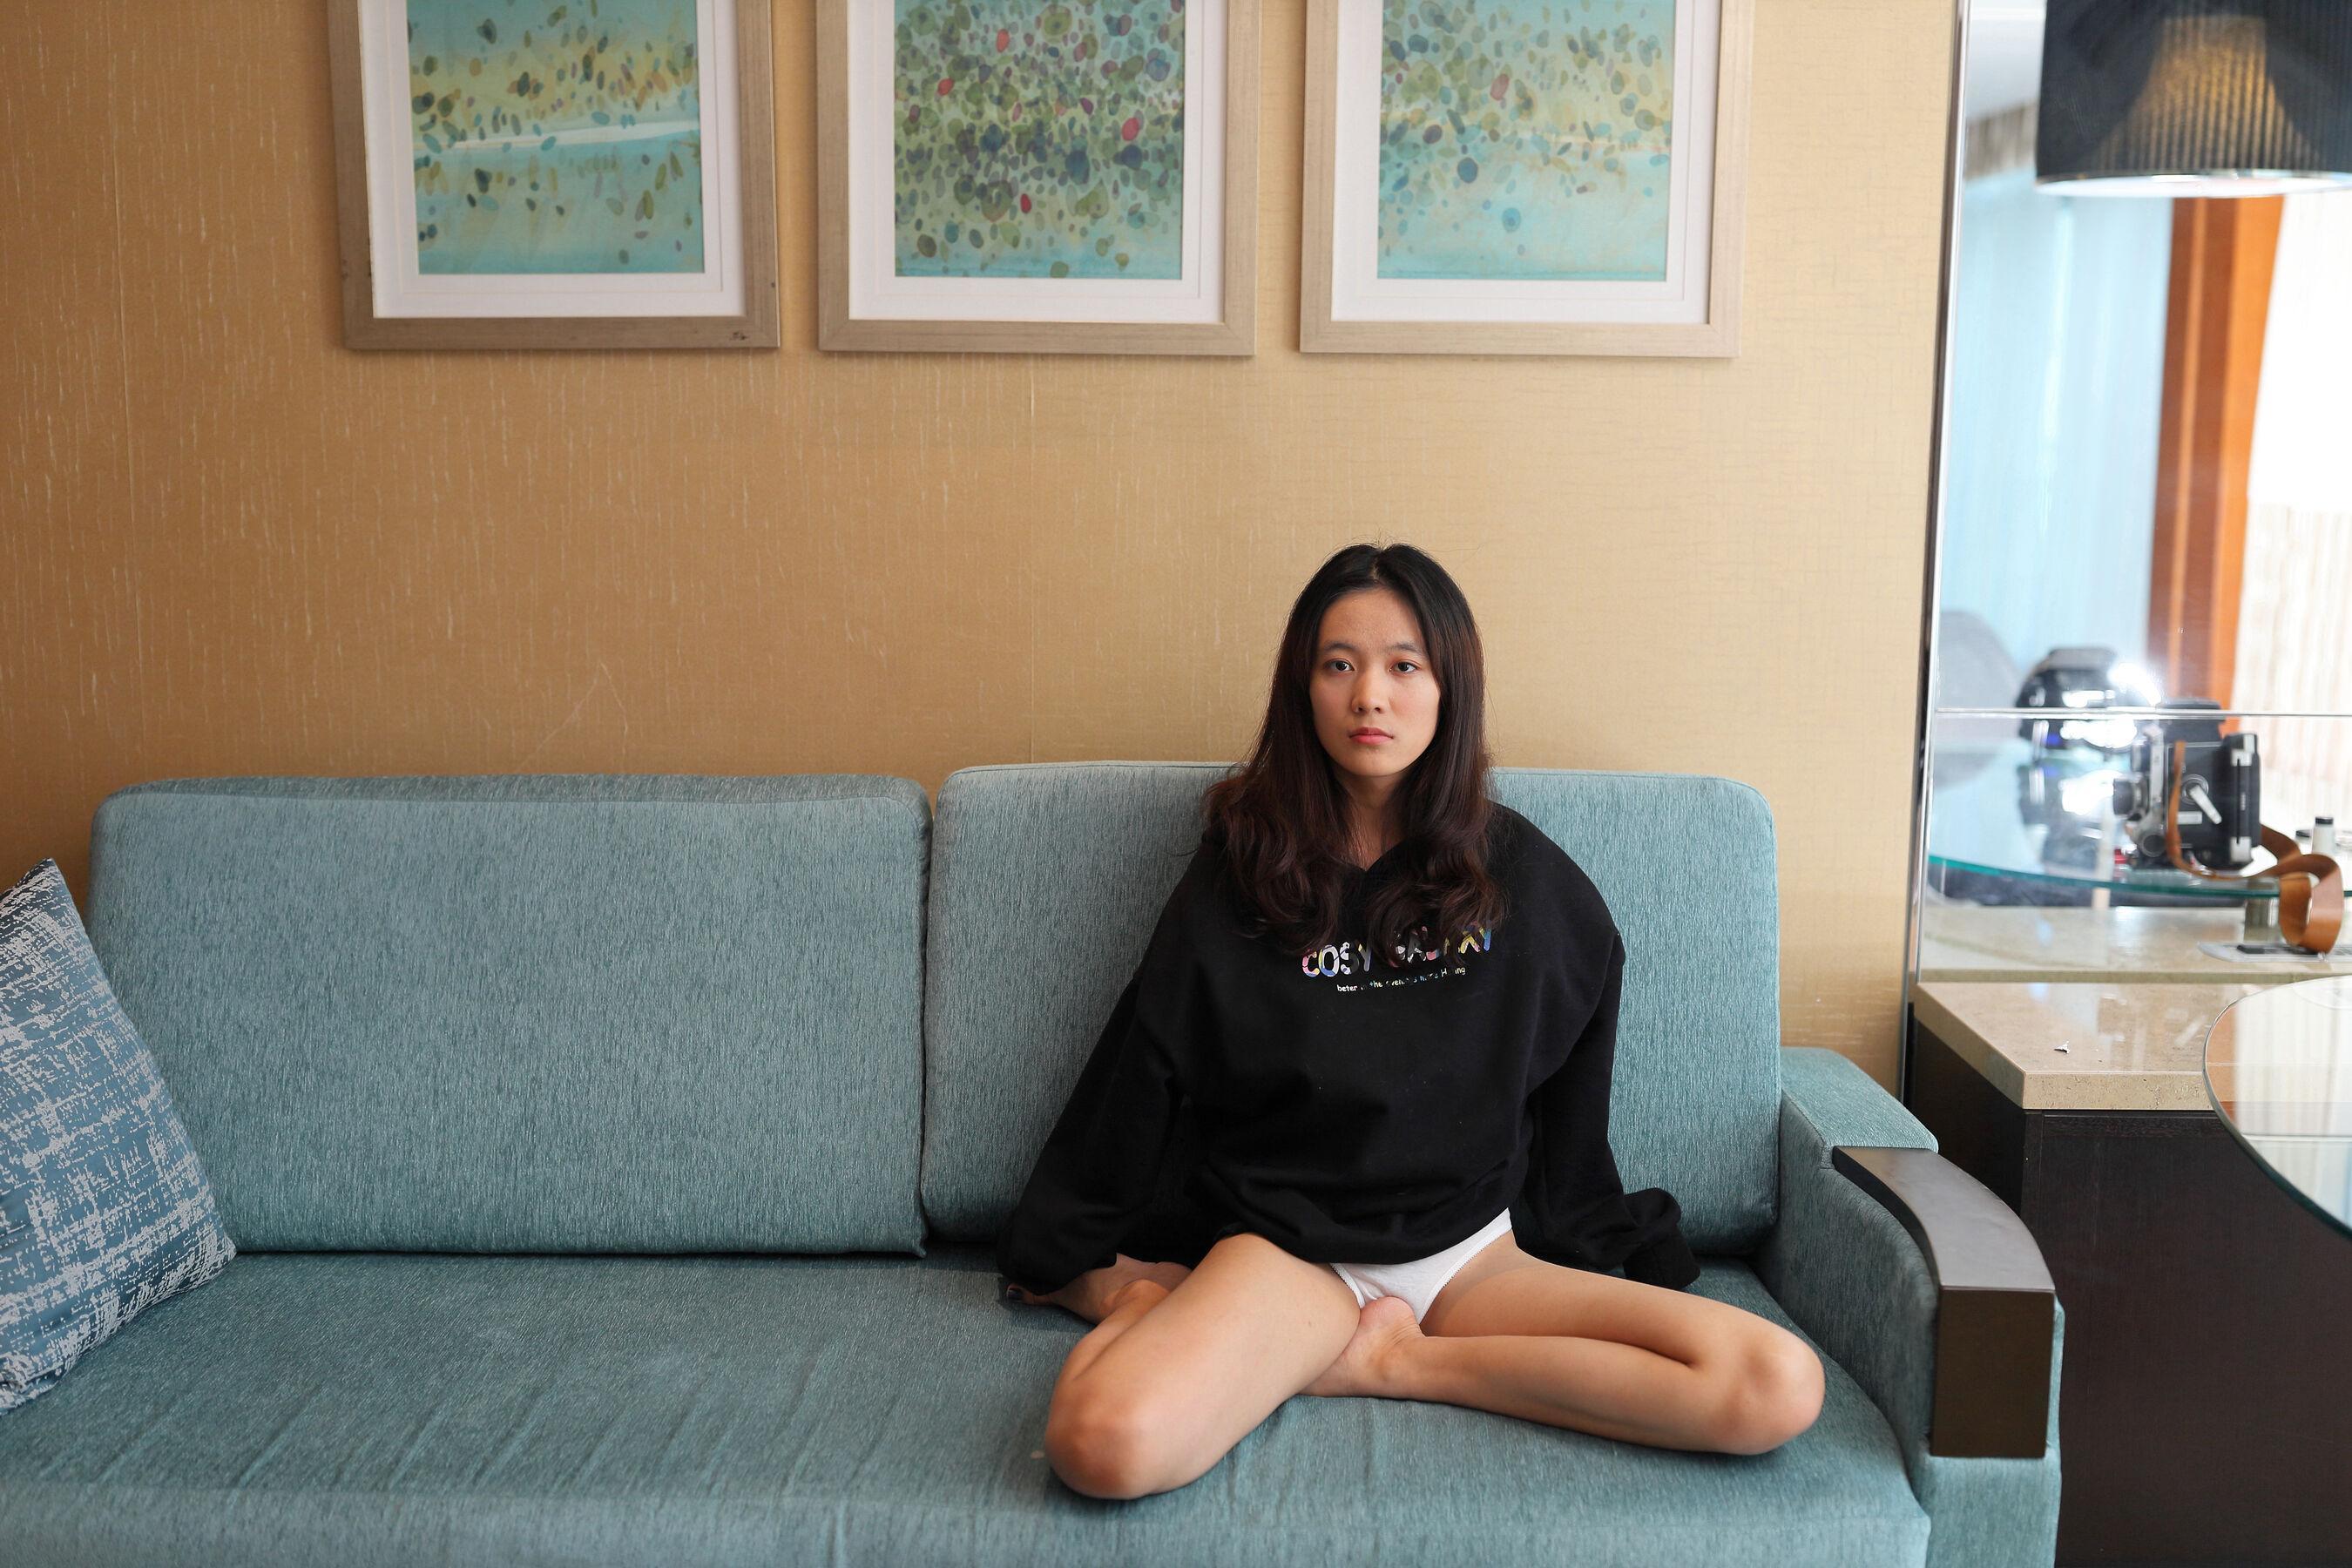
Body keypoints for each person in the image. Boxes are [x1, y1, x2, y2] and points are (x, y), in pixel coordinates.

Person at [994, 542, 1824, 1500]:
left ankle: (1398, 1365)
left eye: (1403, 666)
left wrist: (1573, 1220)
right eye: (1338, 664)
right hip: (1292, 1258)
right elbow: (1146, 1057)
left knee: (1775, 1383)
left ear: (1448, 686)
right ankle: (1244, 1330)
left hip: (1470, 1259)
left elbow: (1579, 1040)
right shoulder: (1242, 869)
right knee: (1100, 1446)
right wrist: (1085, 1259)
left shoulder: (1518, 874)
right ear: (1302, 688)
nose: (1369, 697)